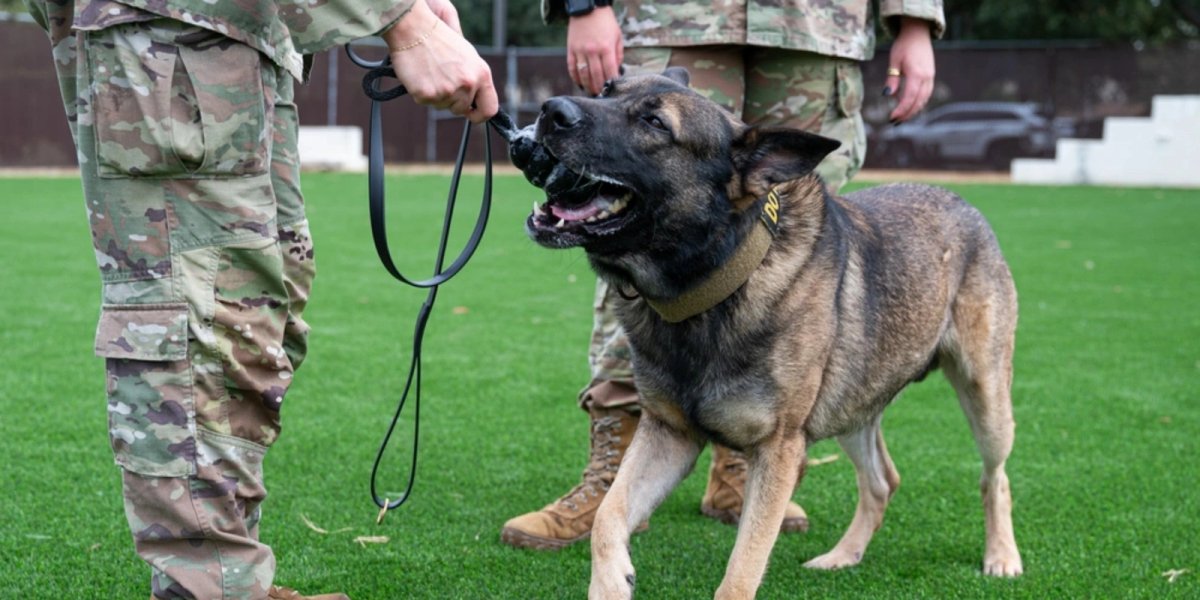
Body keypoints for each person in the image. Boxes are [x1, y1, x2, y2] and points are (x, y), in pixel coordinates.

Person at [22, 0, 497, 597]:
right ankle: (211, 588)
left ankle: (227, 576)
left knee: (258, 318)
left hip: (246, 33)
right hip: (164, 27)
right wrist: (402, 19)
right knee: (199, 318)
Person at [501, 0, 943, 550]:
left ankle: (746, 462)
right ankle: (617, 473)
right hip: (677, 16)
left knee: (797, 246)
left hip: (812, 26)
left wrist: (917, 20)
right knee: (631, 226)